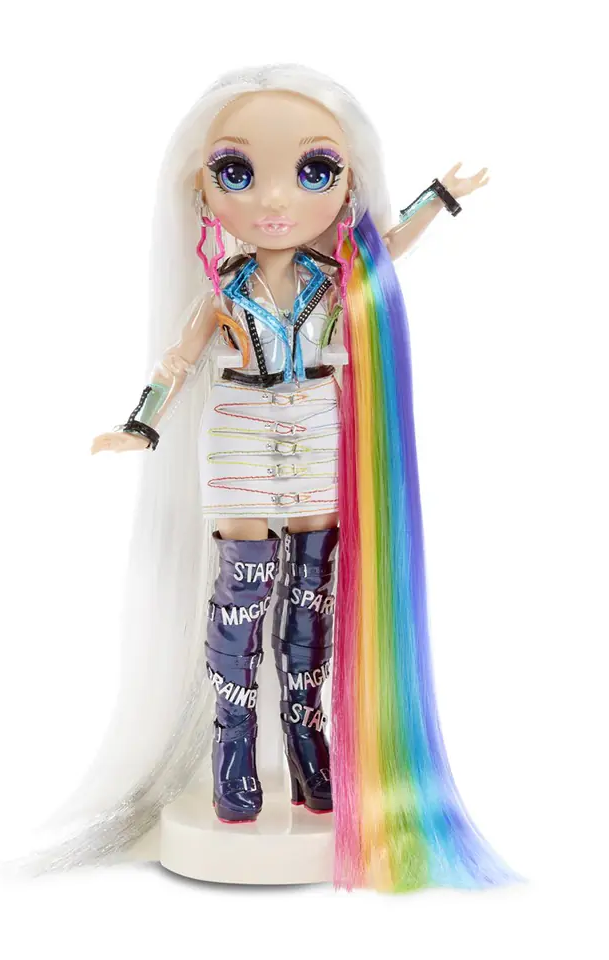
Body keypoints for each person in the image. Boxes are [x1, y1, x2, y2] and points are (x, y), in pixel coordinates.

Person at [45, 64, 513, 892]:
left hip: (318, 431)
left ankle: (307, 748)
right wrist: (140, 424)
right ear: (201, 189)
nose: (273, 199)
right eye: (237, 171)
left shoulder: (338, 282)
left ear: (346, 184)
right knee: (241, 590)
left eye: (313, 171)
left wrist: (439, 197)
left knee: (310, 599)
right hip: (239, 432)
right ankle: (233, 757)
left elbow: (390, 244)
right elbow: (177, 360)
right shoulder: (221, 291)